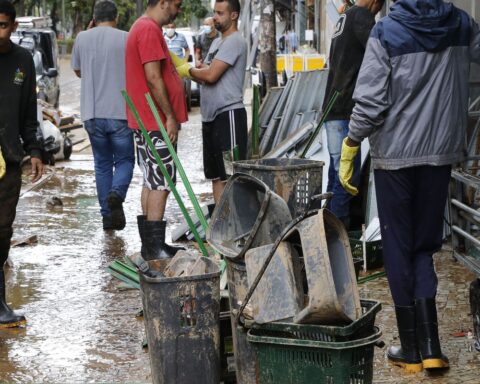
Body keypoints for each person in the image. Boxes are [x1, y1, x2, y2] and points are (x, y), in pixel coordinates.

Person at [340, 0, 480, 374]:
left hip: (396, 158)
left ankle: (412, 349)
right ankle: (431, 347)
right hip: (439, 155)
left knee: (399, 246)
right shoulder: (462, 25)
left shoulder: (386, 32)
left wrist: (351, 143)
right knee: (425, 245)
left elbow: (370, 100)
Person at [126, 0, 187, 260]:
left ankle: (151, 245)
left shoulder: (143, 27)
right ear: (163, 3)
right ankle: (153, 247)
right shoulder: (148, 29)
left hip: (147, 119)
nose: (178, 10)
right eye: (176, 4)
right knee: (161, 181)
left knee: (152, 179)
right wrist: (170, 118)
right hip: (155, 121)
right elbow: (153, 77)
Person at [175, 0, 247, 203]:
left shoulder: (235, 41)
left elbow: (210, 75)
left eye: (220, 13)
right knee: (215, 175)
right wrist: (194, 70)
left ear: (233, 15)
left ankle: (234, 227)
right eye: (214, 12)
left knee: (231, 174)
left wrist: (187, 70)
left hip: (228, 114)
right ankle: (219, 227)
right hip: (210, 117)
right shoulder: (217, 42)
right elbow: (204, 72)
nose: (215, 17)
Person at [71, 0, 135, 231]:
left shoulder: (82, 38)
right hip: (119, 112)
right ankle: (117, 193)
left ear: (94, 18)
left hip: (92, 113)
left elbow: (78, 71)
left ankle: (107, 218)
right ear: (115, 17)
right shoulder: (126, 38)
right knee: (126, 160)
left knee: (102, 165)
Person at [321, 0, 385, 228]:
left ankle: (325, 231)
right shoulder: (362, 16)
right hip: (345, 110)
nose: (378, 12)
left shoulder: (345, 16)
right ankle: (339, 239)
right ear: (376, 2)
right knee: (346, 180)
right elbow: (380, 53)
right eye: (379, 8)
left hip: (333, 108)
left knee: (335, 176)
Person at [0, 0, 43, 327]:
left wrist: (35, 150)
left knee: (2, 231)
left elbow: (30, 113)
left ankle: (0, 302)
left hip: (9, 161)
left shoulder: (22, 61)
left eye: (2, 25)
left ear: (13, 26)